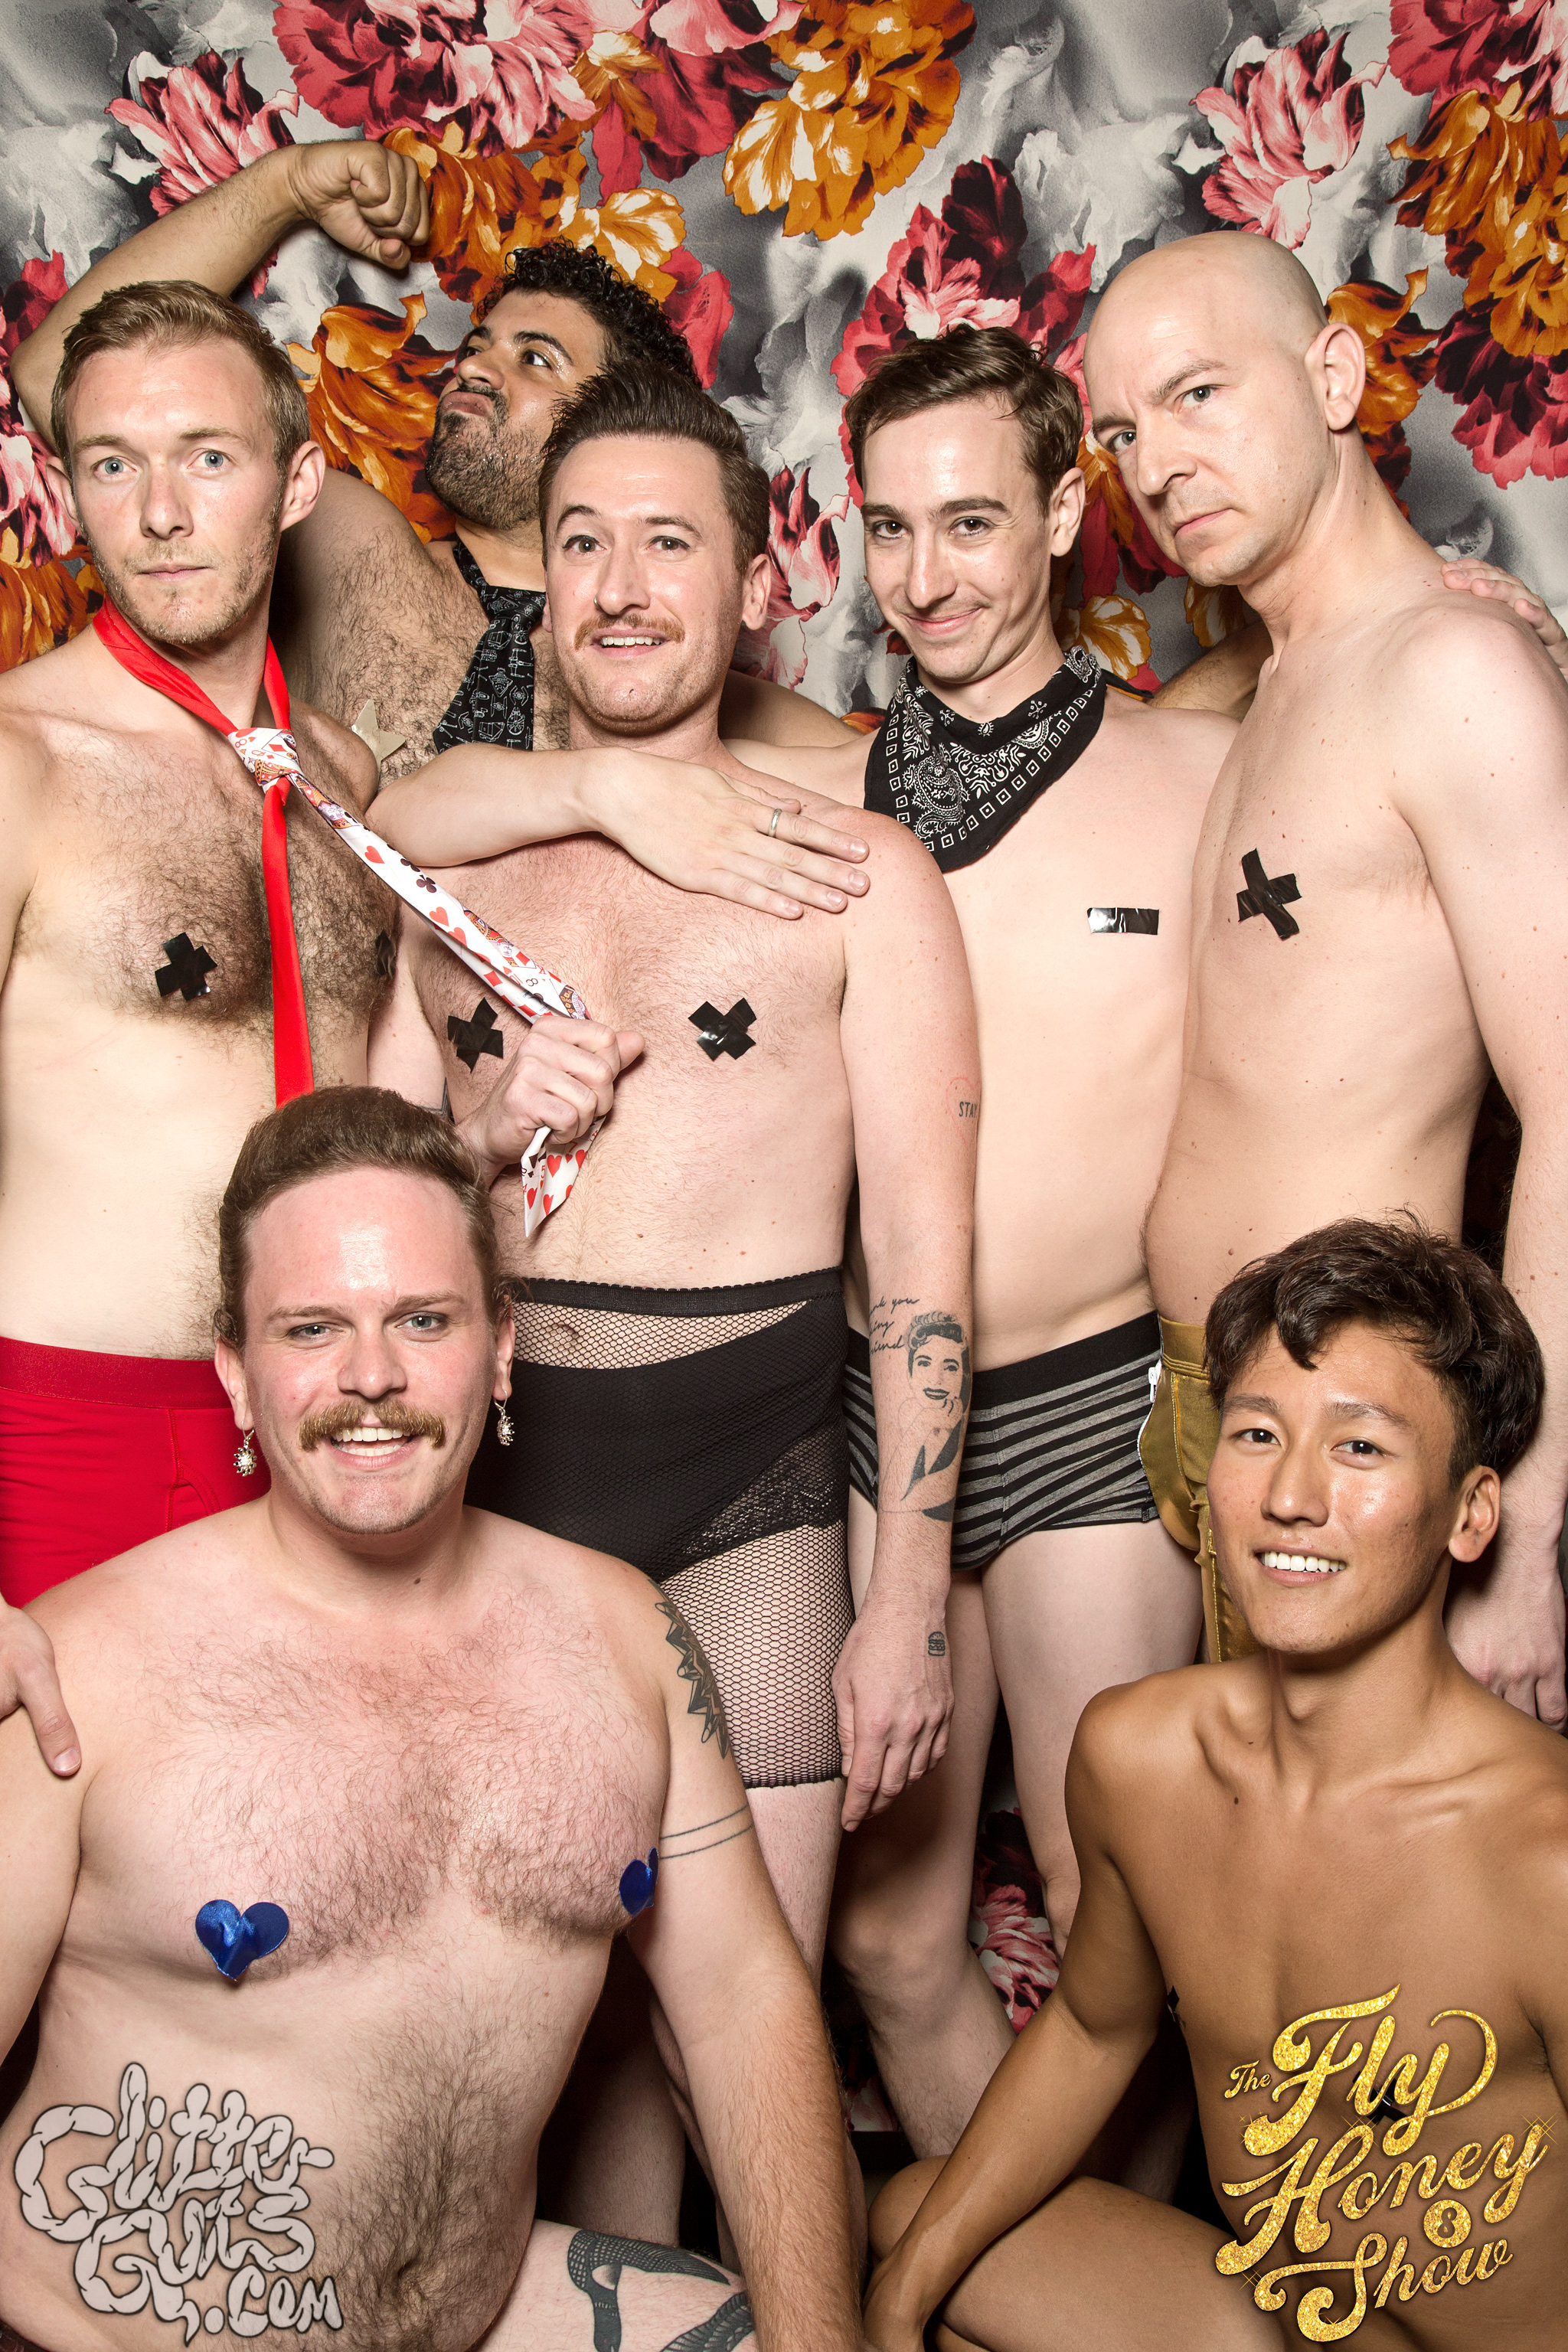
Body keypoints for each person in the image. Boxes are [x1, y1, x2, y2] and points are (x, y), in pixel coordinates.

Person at [0, 279, 861, 1717]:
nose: (159, 513)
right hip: (82, 1430)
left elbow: (364, 1127)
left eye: (206, 457)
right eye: (111, 465)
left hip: (347, 1436)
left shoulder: (338, 783)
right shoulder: (19, 762)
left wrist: (485, 1132)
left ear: (296, 485)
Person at [368, 358, 978, 2236]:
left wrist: (905, 1596)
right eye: (581, 543)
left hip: (752, 1499)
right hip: (494, 1493)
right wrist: (479, 1128)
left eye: (666, 543)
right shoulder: (448, 862)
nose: (621, 586)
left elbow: (924, 1266)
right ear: (540, 578)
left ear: (751, 584)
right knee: (521, 2058)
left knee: (746, 2051)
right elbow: (369, 1206)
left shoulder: (859, 874)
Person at [0, 1083, 862, 2352]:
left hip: (480, 2317)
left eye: (423, 1319)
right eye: (311, 1328)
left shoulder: (625, 1637)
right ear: (236, 1372)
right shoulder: (78, 1668)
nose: (371, 1377)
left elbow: (744, 2007)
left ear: (501, 1346)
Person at [861, 1216, 1568, 2351]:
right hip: (1283, 2322)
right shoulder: (1141, 1755)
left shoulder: (1543, 1857)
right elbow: (1093, 2029)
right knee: (919, 2231)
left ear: (1470, 1513)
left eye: (1360, 1448)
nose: (1291, 1495)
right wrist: (891, 2308)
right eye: (1255, 1434)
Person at [1081, 230, 1568, 1730]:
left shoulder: (1450, 673)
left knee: (1372, 1883)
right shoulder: (1285, 678)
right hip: (1222, 1401)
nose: (1157, 466)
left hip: (1353, 1430)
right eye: (1120, 432)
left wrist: (1528, 1530)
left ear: (1336, 376)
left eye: (1198, 394)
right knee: (1250, 1869)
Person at [8, 136, 858, 777]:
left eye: (535, 359)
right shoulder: (338, 541)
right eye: (478, 347)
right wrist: (286, 187)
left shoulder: (676, 663)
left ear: (620, 421)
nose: (475, 367)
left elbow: (891, 785)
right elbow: (60, 376)